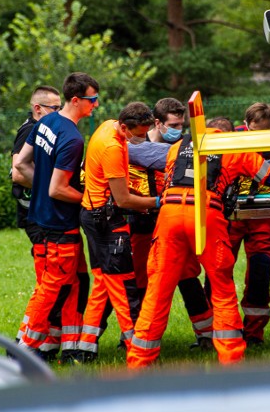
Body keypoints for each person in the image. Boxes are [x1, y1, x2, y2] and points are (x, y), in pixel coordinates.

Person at [127, 116, 270, 368]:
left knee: (158, 289)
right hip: (206, 213)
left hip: (169, 214)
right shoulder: (235, 147)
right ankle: (230, 359)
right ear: (228, 132)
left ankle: (138, 361)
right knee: (222, 287)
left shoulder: (178, 147)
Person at [11, 72, 100, 364]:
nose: (96, 106)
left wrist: (40, 187)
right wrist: (90, 200)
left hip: (40, 220)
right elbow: (58, 189)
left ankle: (70, 347)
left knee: (74, 281)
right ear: (77, 100)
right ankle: (24, 348)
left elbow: (21, 164)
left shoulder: (45, 122)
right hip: (60, 225)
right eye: (92, 100)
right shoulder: (73, 138)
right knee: (53, 288)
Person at [128, 98, 214, 349]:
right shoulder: (137, 147)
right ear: (158, 123)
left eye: (181, 124)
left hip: (171, 221)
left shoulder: (180, 147)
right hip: (142, 223)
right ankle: (135, 336)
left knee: (188, 278)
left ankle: (206, 334)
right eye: (174, 124)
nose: (179, 130)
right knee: (140, 282)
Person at [77, 102, 159, 361]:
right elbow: (123, 200)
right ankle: (136, 347)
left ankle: (84, 347)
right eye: (137, 135)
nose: (141, 140)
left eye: (145, 133)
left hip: (93, 215)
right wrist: (157, 202)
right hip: (107, 221)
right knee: (124, 286)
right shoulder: (113, 146)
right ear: (124, 127)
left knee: (103, 282)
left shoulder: (106, 126)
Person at [228, 102, 270, 346]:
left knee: (259, 274)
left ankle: (254, 334)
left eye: (264, 132)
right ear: (246, 125)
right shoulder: (231, 140)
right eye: (255, 131)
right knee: (219, 271)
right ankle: (218, 330)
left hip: (263, 217)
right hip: (232, 215)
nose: (259, 138)